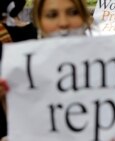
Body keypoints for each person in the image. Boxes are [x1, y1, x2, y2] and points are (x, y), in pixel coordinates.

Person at [0, 0, 94, 140]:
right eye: (52, 15)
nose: (63, 22)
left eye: (73, 12)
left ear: (86, 18)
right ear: (39, 21)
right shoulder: (18, 72)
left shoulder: (114, 67)